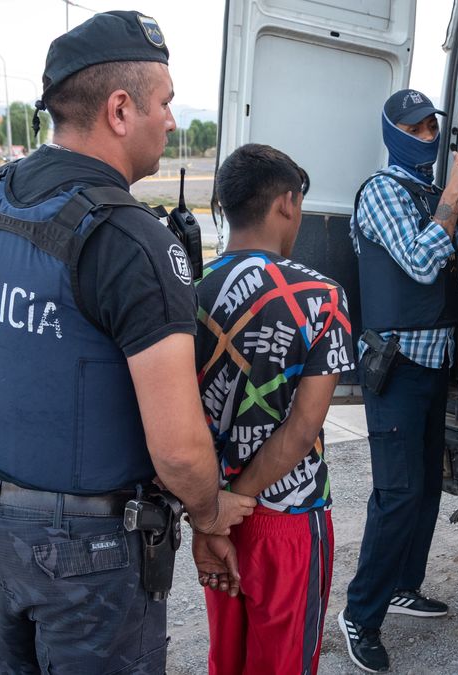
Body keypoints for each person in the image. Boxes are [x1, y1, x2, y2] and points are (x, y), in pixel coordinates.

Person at [0, 11, 255, 673]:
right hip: (82, 552)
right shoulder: (130, 239)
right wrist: (208, 513)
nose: (170, 120)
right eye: (165, 103)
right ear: (120, 110)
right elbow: (178, 450)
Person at [339, 88, 458, 672]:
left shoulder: (431, 195)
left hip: (434, 364)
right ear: (393, 134)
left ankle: (403, 586)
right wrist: (452, 198)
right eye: (415, 129)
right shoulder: (382, 191)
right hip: (398, 366)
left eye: (432, 127)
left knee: (426, 486)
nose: (427, 136)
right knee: (398, 493)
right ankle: (360, 614)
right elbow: (421, 262)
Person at [194, 143, 355, 674]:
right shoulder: (323, 297)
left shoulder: (189, 292)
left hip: (214, 514)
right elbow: (302, 428)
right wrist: (240, 499)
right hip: (289, 519)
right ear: (287, 202)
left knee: (227, 658)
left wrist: (213, 514)